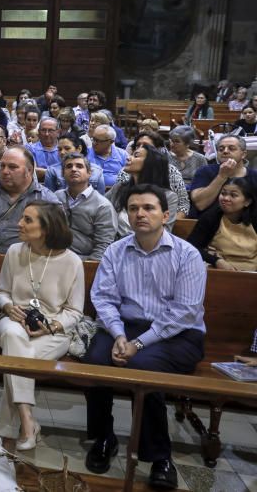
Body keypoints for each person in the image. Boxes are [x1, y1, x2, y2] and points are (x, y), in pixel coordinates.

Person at [83, 184, 206, 490]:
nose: (140, 214)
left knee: (144, 371)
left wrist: (138, 344)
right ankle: (103, 438)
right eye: (134, 208)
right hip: (125, 327)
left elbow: (184, 311)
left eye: (149, 208)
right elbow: (103, 298)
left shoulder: (187, 254)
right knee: (95, 362)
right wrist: (119, 334)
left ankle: (159, 456)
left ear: (165, 215)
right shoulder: (116, 250)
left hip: (178, 334)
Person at [0, 202, 84, 451]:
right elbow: (2, 291)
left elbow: (75, 312)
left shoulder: (72, 262)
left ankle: (15, 429)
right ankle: (27, 422)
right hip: (15, 322)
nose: (19, 224)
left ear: (46, 228)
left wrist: (52, 326)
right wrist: (8, 306)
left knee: (16, 360)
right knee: (13, 337)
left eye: (27, 220)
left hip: (53, 331)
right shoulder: (15, 251)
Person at [0, 147, 60, 254]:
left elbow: (57, 237)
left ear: (29, 171)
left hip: (28, 263)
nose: (5, 171)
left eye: (12, 167)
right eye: (2, 166)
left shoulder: (47, 199)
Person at [107, 146, 179, 238]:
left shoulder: (168, 196)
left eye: (136, 156)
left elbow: (165, 231)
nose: (128, 158)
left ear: (150, 163)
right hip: (116, 245)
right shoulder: (119, 188)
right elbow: (100, 209)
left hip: (150, 247)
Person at [186, 177, 257, 271]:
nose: (226, 198)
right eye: (223, 194)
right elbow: (191, 247)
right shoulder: (211, 217)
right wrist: (216, 261)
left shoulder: (255, 218)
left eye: (233, 195)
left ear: (247, 202)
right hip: (218, 270)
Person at [55, 153, 115, 260]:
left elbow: (103, 245)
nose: (73, 169)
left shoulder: (102, 205)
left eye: (79, 166)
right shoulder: (55, 198)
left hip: (85, 261)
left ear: (89, 173)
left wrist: (87, 267)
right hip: (53, 258)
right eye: (69, 166)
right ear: (63, 174)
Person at [115, 131, 189, 217]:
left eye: (146, 146)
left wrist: (173, 220)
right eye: (137, 146)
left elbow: (183, 204)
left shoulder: (171, 174)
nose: (140, 148)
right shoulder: (122, 181)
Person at [188, 135, 257, 216]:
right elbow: (200, 204)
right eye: (221, 149)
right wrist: (221, 176)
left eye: (231, 148)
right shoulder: (205, 171)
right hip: (207, 224)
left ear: (243, 154)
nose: (225, 151)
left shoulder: (254, 176)